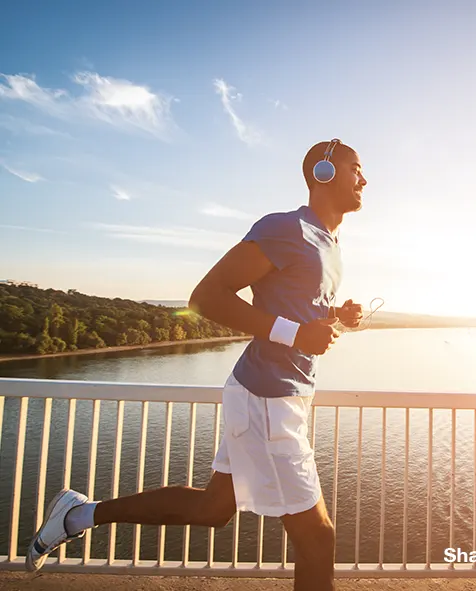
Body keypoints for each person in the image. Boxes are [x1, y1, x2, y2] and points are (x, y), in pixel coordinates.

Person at [26, 138, 368, 591]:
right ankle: (77, 515)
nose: (364, 179)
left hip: (277, 396)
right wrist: (295, 332)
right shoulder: (286, 229)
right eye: (355, 168)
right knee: (317, 538)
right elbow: (205, 298)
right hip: (267, 399)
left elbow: (299, 320)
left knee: (212, 510)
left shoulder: (331, 245)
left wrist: (334, 319)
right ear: (322, 174)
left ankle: (78, 514)